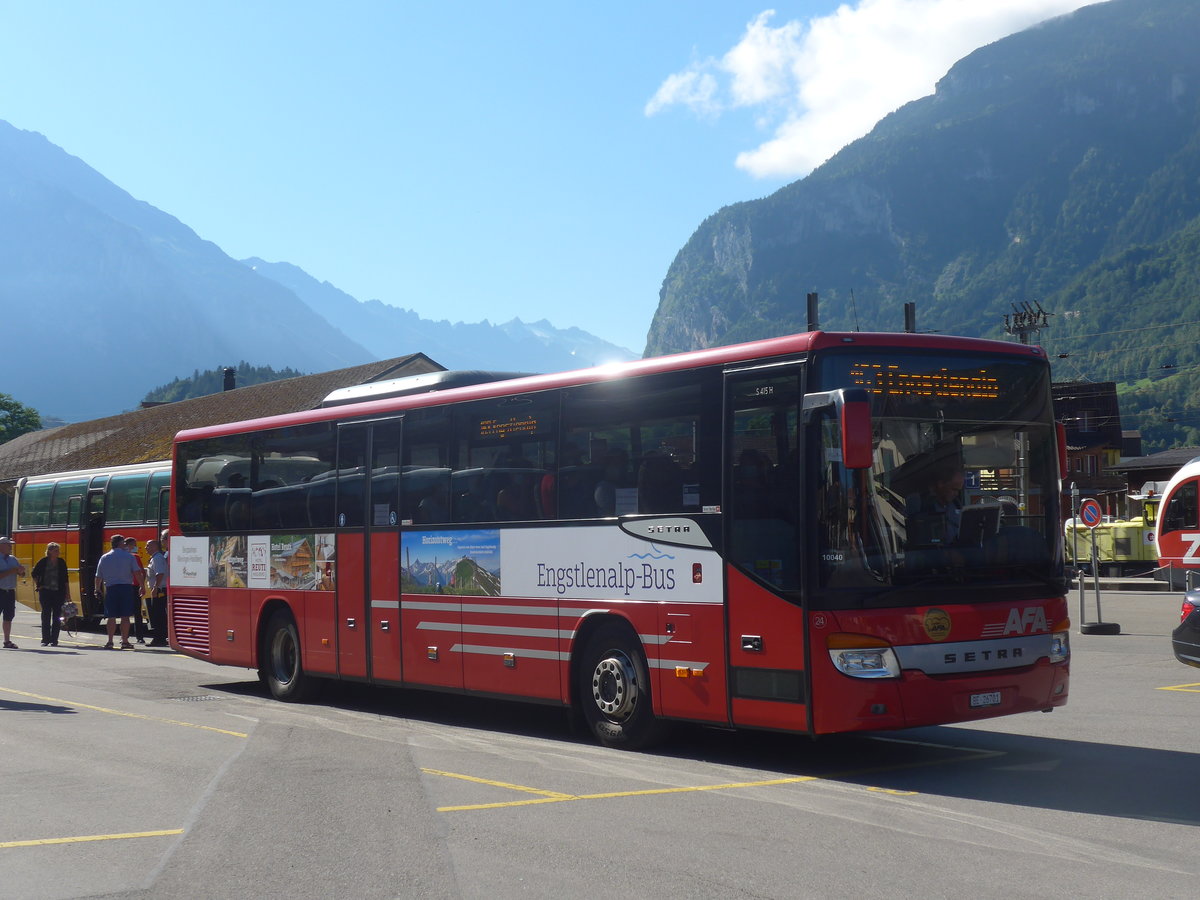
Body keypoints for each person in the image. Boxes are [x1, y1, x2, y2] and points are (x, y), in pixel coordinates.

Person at [94, 534, 144, 650]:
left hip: (111, 588)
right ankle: (124, 641)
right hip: (126, 588)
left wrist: (97, 589)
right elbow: (137, 572)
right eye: (123, 543)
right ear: (121, 544)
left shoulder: (104, 557)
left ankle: (110, 641)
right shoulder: (129, 557)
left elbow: (98, 576)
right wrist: (142, 585)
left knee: (111, 616)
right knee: (125, 616)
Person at [905, 464, 965, 545]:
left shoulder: (957, 505)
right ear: (941, 484)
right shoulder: (919, 503)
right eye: (954, 489)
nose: (956, 494)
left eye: (958, 491)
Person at [32, 542, 70, 647]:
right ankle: (45, 639)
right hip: (45, 592)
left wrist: (68, 594)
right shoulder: (43, 561)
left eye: (58, 550)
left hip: (59, 592)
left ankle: (54, 640)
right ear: (49, 551)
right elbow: (34, 573)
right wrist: (38, 584)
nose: (58, 553)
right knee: (46, 615)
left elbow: (66, 579)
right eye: (56, 551)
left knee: (57, 616)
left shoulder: (61, 562)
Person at [0, 536, 27, 649]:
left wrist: (21, 572)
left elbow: (22, 575)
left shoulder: (13, 559)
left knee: (8, 617)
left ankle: (7, 641)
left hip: (10, 591)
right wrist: (11, 571)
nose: (10, 547)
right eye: (8, 544)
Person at [145, 538, 169, 646]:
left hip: (159, 590)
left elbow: (160, 573)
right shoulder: (155, 558)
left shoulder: (157, 558)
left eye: (148, 545)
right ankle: (160, 638)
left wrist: (155, 587)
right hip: (159, 589)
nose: (146, 548)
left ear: (155, 547)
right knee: (158, 615)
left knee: (157, 615)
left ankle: (159, 639)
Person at [124, 537, 147, 643]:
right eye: (133, 545)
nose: (135, 547)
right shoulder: (135, 557)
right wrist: (142, 584)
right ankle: (139, 637)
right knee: (137, 613)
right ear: (128, 545)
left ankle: (125, 636)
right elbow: (142, 572)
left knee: (126, 613)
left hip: (126, 586)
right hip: (134, 586)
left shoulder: (123, 557)